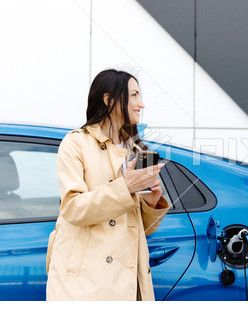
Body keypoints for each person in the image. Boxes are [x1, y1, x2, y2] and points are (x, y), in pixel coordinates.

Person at [46, 69, 169, 301]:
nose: (141, 104)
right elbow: (73, 208)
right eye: (134, 95)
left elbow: (136, 230)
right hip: (85, 285)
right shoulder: (75, 143)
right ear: (109, 100)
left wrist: (151, 204)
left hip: (128, 283)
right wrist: (126, 187)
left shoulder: (137, 151)